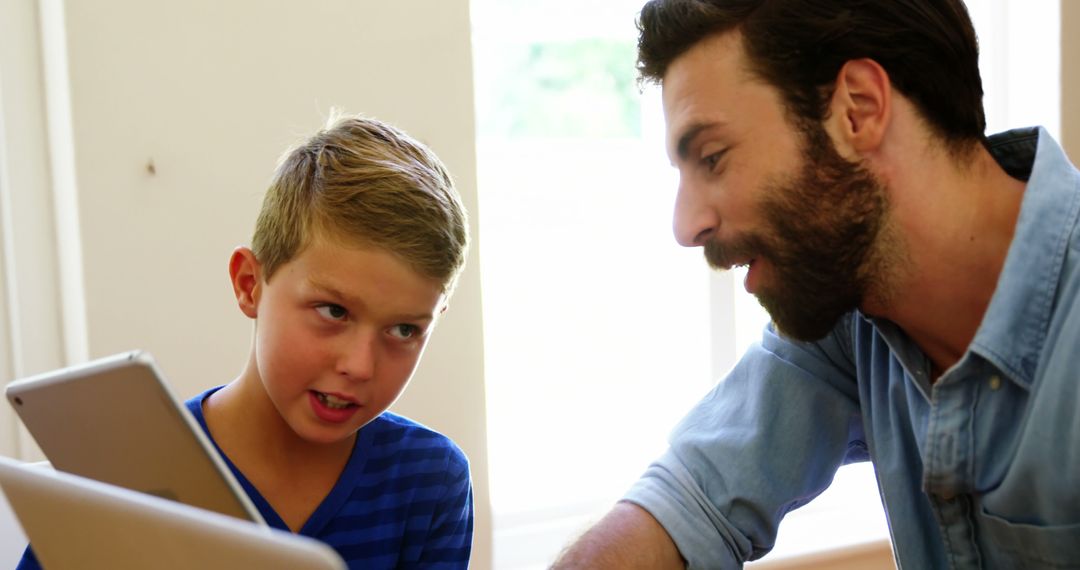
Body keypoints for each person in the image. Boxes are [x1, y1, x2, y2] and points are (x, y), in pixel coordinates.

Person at [553, 1, 1079, 568]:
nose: (687, 227)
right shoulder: (851, 306)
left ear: (857, 110)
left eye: (712, 157)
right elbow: (687, 503)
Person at [16, 115, 474, 570]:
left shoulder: (429, 481)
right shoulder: (123, 479)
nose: (360, 366)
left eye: (404, 330)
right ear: (250, 284)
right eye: (334, 312)